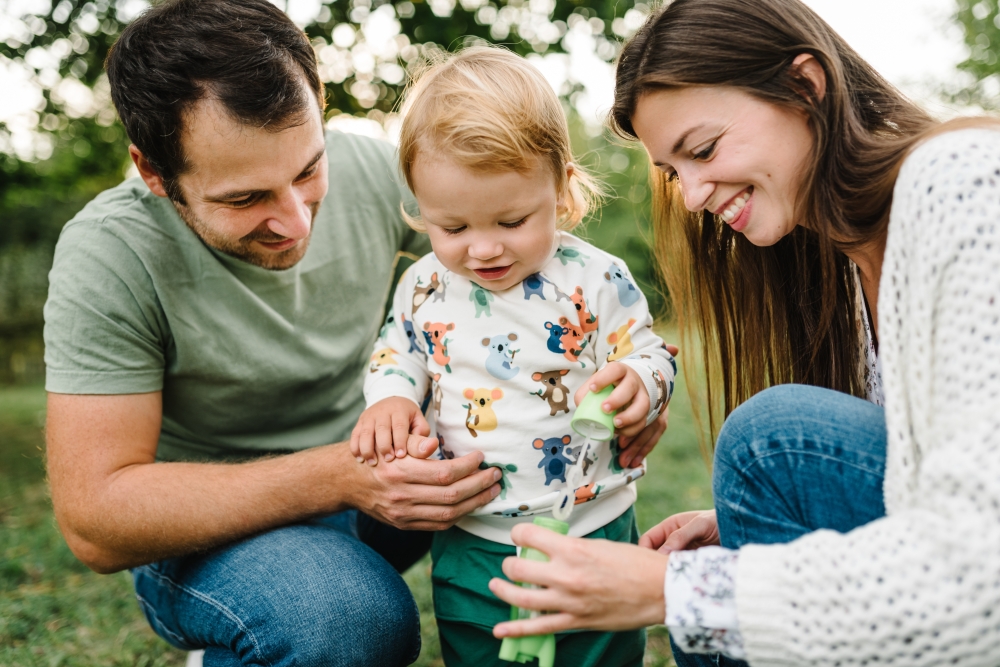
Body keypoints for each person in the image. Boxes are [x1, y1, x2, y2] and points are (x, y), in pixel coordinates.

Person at [485, 0, 1000, 665]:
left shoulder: (963, 184)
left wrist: (682, 589)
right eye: (675, 171)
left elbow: (982, 573)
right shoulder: (843, 266)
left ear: (804, 87)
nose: (693, 194)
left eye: (703, 149)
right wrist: (753, 524)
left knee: (773, 442)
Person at [41, 1, 508, 665]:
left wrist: (618, 363)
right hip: (207, 535)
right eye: (244, 199)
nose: (294, 221)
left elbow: (517, 239)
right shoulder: (110, 253)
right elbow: (96, 518)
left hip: (374, 490)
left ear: (319, 105)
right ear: (154, 173)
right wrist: (338, 476)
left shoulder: (374, 170)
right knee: (348, 622)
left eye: (308, 170)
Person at [350, 47, 676, 666]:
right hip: (473, 530)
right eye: (453, 227)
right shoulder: (423, 285)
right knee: (479, 648)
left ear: (562, 187)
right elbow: (399, 351)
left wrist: (641, 379)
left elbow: (651, 352)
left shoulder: (596, 279)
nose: (484, 248)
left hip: (591, 522)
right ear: (420, 208)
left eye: (512, 219)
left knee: (599, 652)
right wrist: (390, 397)